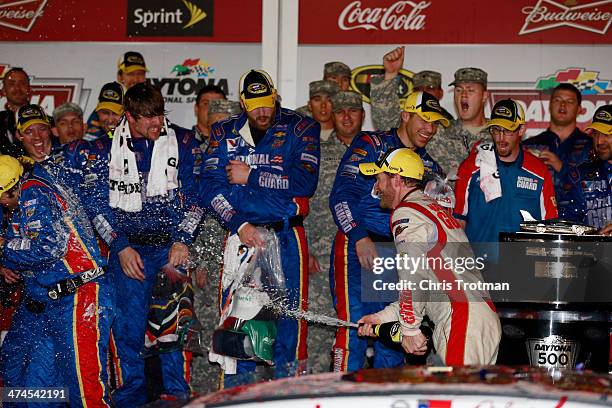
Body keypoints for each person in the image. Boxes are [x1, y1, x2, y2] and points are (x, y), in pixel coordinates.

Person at [201, 69, 320, 386]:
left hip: (286, 236)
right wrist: (238, 223)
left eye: (267, 102)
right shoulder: (223, 132)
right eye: (255, 106)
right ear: (242, 103)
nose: (263, 111)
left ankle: (291, 397)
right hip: (242, 237)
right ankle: (236, 399)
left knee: (290, 324)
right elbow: (209, 189)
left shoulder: (301, 127)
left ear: (275, 95)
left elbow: (304, 183)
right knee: (238, 325)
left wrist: (251, 175)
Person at [0, 106, 114, 406]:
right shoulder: (27, 177)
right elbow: (19, 241)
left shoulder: (39, 184)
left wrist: (4, 250)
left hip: (80, 292)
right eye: (29, 131)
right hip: (46, 297)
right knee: (31, 385)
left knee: (83, 384)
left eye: (42, 129)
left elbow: (49, 246)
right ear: (19, 137)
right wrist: (7, 255)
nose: (37, 137)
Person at [328, 91, 447, 372]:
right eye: (424, 120)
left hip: (399, 254)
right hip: (359, 247)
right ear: (405, 114)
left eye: (435, 123)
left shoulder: (430, 167)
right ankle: (341, 397)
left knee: (394, 334)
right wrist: (360, 237)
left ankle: (390, 399)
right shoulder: (370, 144)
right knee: (354, 328)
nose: (430, 129)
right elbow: (340, 196)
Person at [356, 147, 501, 365]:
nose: (376, 188)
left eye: (379, 178)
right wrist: (382, 318)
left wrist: (410, 329)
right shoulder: (430, 209)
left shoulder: (407, 212)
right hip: (477, 318)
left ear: (396, 179)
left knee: (453, 397)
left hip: (462, 319)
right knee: (470, 397)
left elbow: (412, 274)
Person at [107, 83, 202, 406]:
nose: (156, 124)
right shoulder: (108, 146)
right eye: (147, 118)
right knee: (128, 331)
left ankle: (177, 394)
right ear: (129, 117)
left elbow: (196, 196)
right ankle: (130, 398)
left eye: (159, 115)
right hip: (129, 250)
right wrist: (119, 245)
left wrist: (183, 238)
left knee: (174, 328)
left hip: (169, 248)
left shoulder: (184, 141)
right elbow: (96, 203)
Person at [454, 99, 558, 259]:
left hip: (523, 267)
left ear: (521, 129)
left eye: (508, 130)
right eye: (496, 130)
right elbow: (458, 222)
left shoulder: (539, 170)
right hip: (479, 267)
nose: (501, 138)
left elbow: (549, 226)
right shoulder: (472, 166)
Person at [304, 90, 360, 373]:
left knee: (366, 327)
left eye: (353, 110)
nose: (347, 117)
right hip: (322, 257)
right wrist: (307, 249)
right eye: (340, 111)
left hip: (366, 258)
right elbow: (302, 203)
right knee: (320, 327)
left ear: (362, 114)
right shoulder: (318, 153)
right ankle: (316, 389)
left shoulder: (376, 152)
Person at [523, 83, 592, 219]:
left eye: (569, 101)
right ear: (549, 105)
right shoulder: (530, 145)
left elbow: (594, 187)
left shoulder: (590, 145)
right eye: (558, 100)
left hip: (578, 222)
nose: (563, 105)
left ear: (579, 109)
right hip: (537, 218)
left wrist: (562, 168)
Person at [370, 46, 452, 131]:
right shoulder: (407, 121)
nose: (423, 92)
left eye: (430, 88)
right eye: (418, 89)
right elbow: (385, 121)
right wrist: (390, 74)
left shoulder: (450, 125)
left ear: (440, 93)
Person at [561, 104, 611, 231]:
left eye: (607, 134)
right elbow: (566, 223)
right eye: (596, 134)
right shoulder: (580, 175)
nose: (599, 141)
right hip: (595, 250)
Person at [86, 51, 148, 140]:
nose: (136, 79)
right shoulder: (110, 100)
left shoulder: (150, 104)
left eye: (140, 74)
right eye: (130, 74)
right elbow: (93, 140)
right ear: (120, 76)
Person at [0, 67, 30, 158]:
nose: (17, 88)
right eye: (12, 83)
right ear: (4, 91)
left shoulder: (46, 122)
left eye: (22, 83)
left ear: (29, 89)